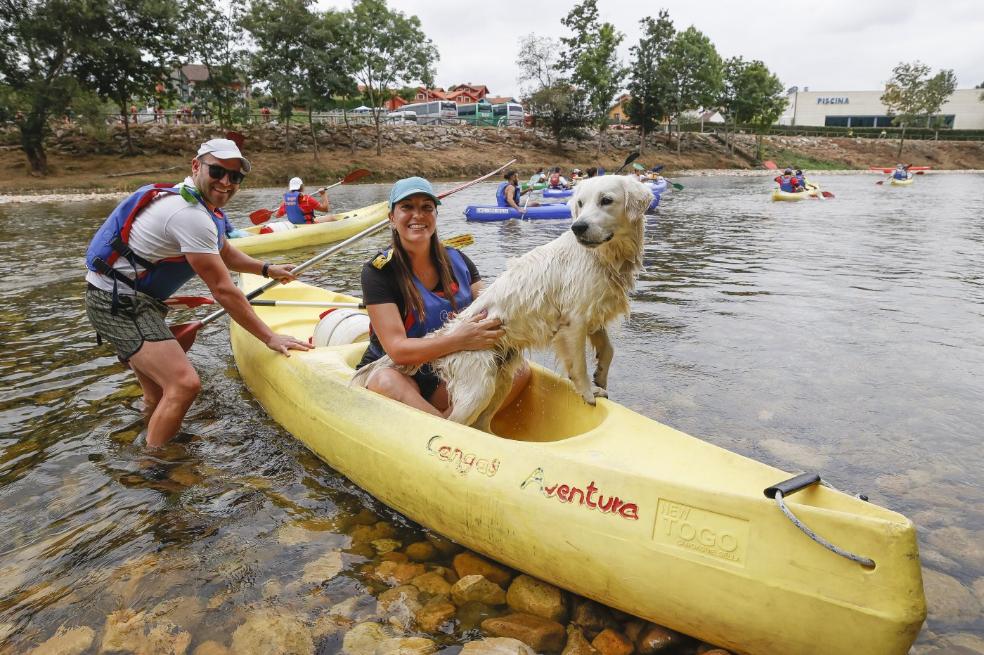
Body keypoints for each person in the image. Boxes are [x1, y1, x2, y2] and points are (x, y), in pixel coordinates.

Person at [84, 138, 311, 448]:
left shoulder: (202, 207)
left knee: (157, 392)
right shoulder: (188, 213)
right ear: (196, 166)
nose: (226, 182)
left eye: (235, 177)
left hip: (130, 299)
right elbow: (223, 290)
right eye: (217, 171)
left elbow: (226, 253)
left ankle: (143, 433)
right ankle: (154, 464)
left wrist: (267, 269)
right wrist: (269, 337)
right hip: (118, 303)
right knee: (184, 384)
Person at [356, 177, 529, 417]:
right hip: (396, 367)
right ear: (392, 218)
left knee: (519, 370)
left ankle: (452, 423)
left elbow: (492, 311)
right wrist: (459, 340)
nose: (418, 215)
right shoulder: (378, 271)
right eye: (407, 207)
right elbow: (398, 350)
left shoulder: (459, 260)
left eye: (427, 207)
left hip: (444, 366)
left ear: (435, 215)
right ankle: (446, 429)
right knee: (387, 382)